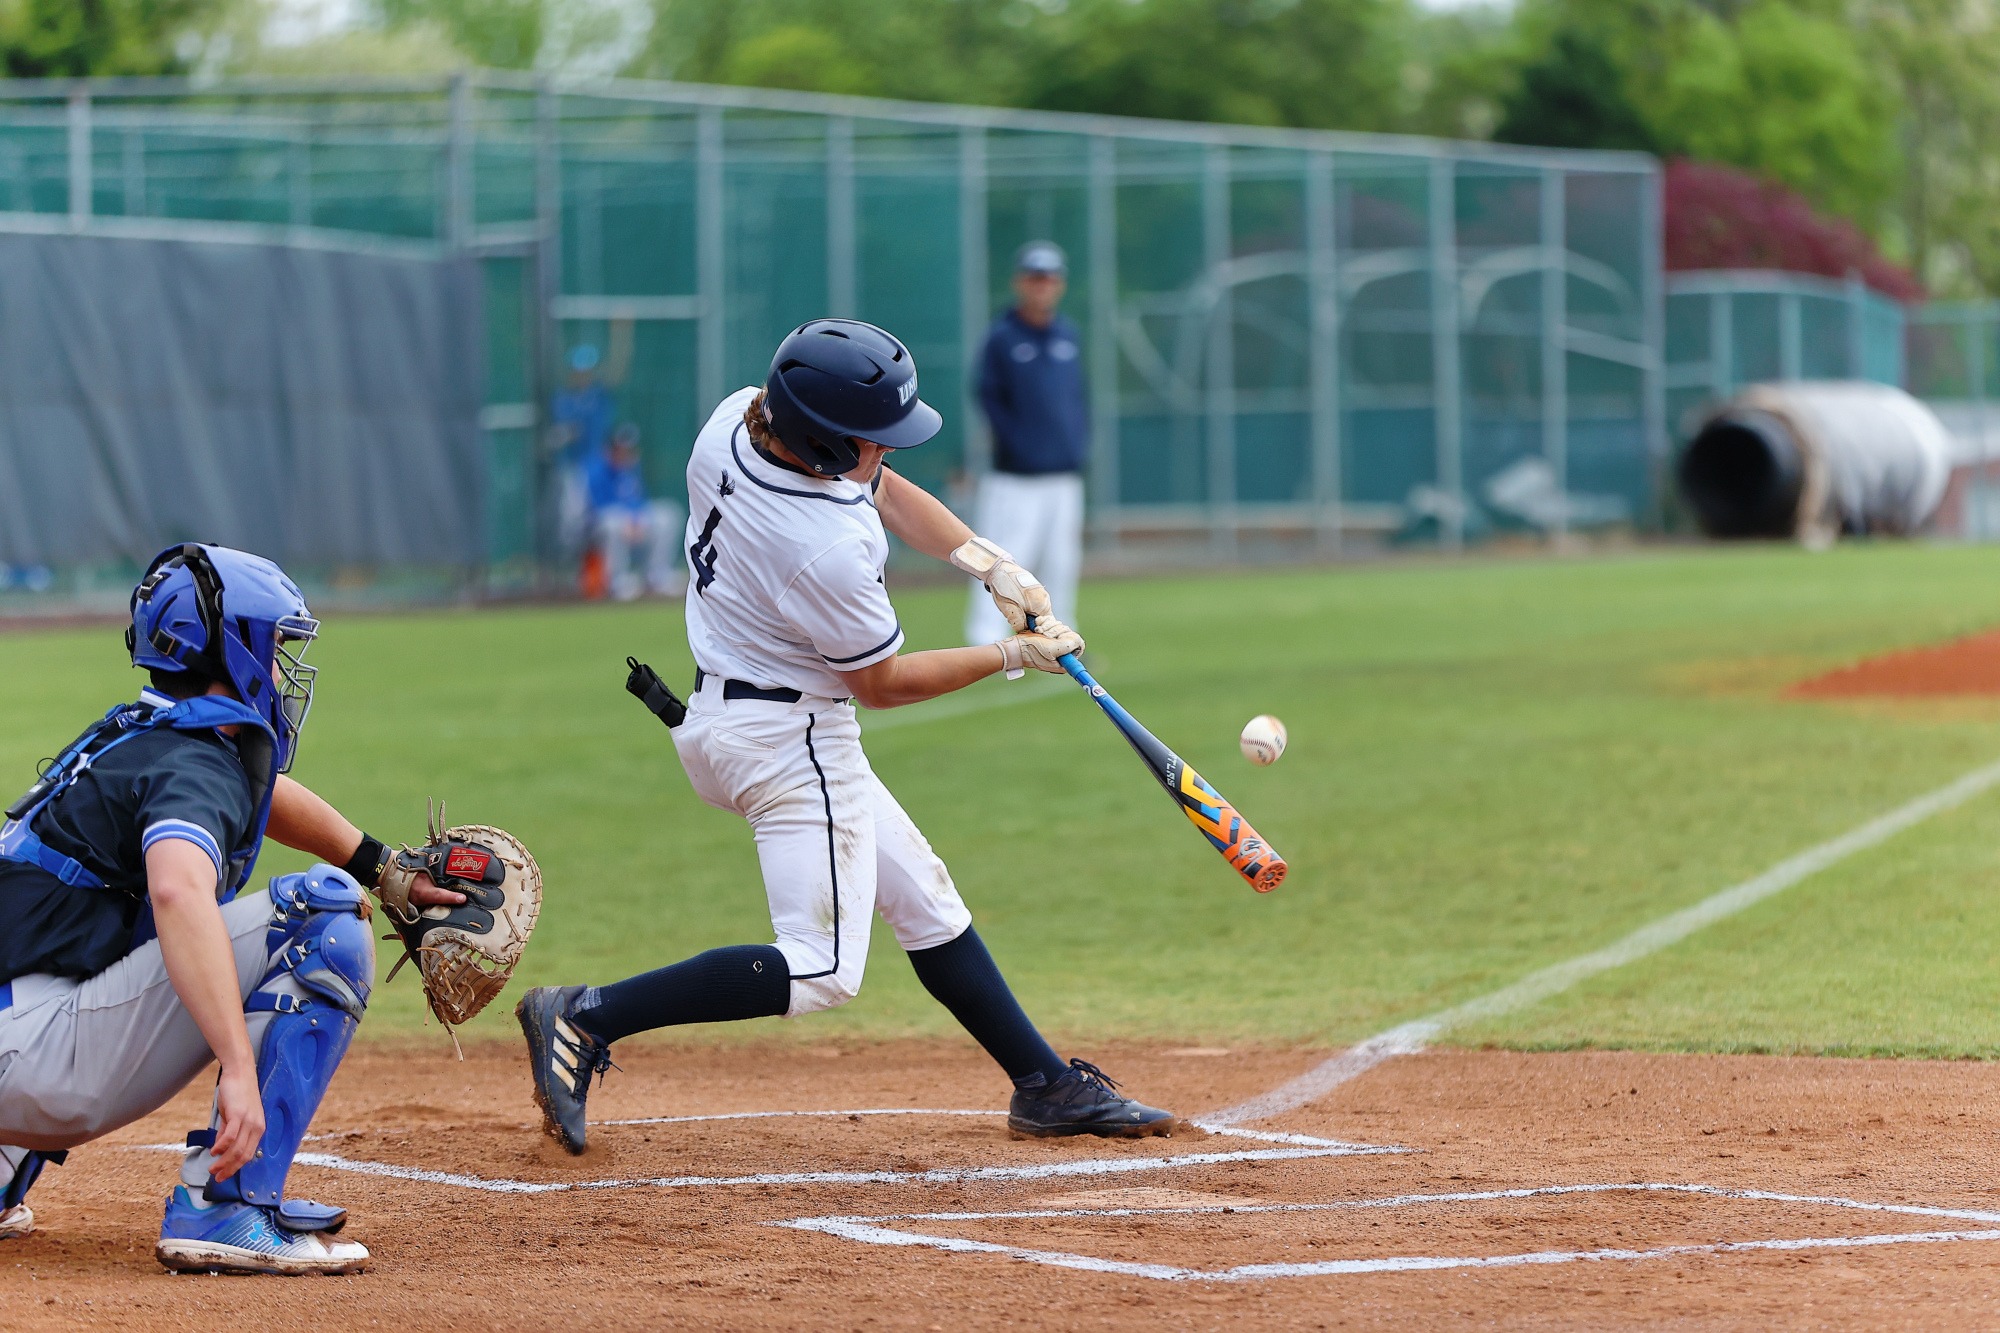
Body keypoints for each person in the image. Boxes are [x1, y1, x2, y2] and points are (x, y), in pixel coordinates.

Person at [516, 319, 1173, 1153]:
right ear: (825, 446)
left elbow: (883, 486)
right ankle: (586, 1014)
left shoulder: (734, 422)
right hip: (790, 744)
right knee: (822, 969)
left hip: (731, 710)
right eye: (873, 440)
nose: (887, 454)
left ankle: (1044, 1084)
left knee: (923, 898)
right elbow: (882, 683)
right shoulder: (820, 547)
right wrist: (1010, 652)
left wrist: (986, 563)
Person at [0, 544, 465, 1274]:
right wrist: (238, 1064)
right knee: (322, 917)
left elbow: (260, 792)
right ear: (233, 647)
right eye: (276, 645)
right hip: (31, 1062)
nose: (283, 669)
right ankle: (226, 1204)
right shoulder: (192, 760)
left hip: (16, 1026)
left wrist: (382, 868)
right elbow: (178, 887)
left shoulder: (138, 737)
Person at [966, 241, 1089, 646]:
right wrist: (1016, 444)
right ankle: (985, 641)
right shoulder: (1002, 338)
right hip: (1015, 477)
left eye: (1050, 278)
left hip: (1062, 474)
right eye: (1035, 278)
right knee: (1002, 562)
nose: (1043, 286)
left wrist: (1075, 444)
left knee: (1061, 562)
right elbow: (987, 397)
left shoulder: (1066, 336)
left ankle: (1060, 640)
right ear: (1021, 282)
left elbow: (1075, 399)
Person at [549, 322, 633, 559]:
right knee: (571, 523)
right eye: (579, 371)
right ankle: (568, 567)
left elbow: (618, 371)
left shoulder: (598, 393)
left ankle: (597, 567)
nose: (583, 375)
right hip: (575, 469)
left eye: (587, 370)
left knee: (606, 518)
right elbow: (565, 432)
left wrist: (622, 335)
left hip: (599, 467)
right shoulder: (563, 399)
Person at [587, 423, 687, 601]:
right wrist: (628, 519)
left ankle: (657, 576)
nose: (625, 453)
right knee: (613, 523)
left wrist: (636, 519)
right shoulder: (597, 471)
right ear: (610, 450)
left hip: (633, 521)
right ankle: (617, 581)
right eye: (621, 449)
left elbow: (638, 501)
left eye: (628, 449)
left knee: (668, 515)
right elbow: (598, 507)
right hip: (603, 525)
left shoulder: (631, 469)